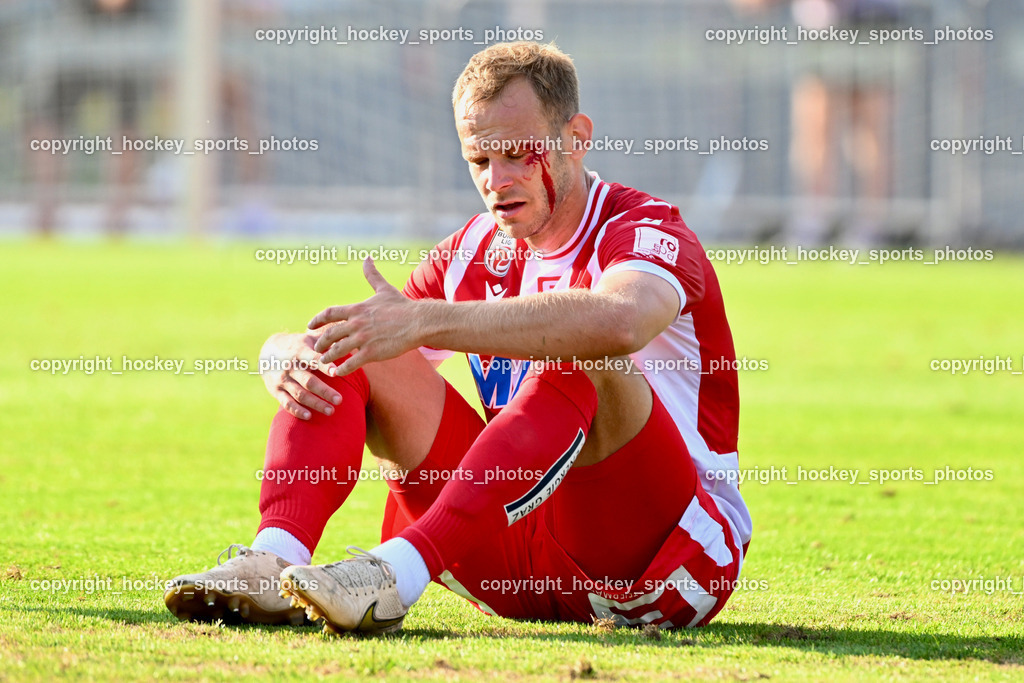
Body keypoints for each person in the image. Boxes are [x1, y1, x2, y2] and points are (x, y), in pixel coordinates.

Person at [164, 41, 752, 634]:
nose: (497, 181)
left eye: (519, 154)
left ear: (576, 136)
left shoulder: (644, 228)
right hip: (514, 559)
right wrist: (280, 351)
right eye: (478, 161)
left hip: (658, 565)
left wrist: (426, 321)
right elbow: (369, 339)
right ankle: (275, 560)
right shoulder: (478, 249)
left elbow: (618, 322)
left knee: (583, 350)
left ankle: (397, 574)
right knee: (354, 351)